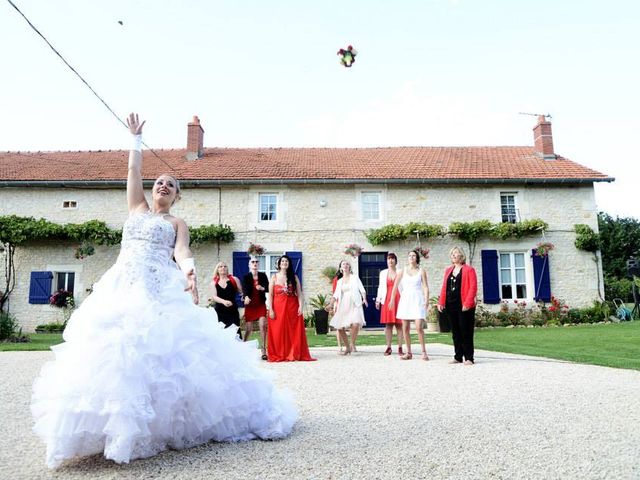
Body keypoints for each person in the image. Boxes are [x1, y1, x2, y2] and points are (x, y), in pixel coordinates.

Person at [31, 114, 296, 469]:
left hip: (158, 287)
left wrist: (189, 273)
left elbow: (183, 251)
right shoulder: (136, 208)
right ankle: (104, 428)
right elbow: (132, 175)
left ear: (177, 196)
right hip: (123, 284)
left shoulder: (176, 223)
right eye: (160, 182)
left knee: (161, 352)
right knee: (114, 351)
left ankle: (156, 426)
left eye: (170, 184)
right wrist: (135, 141)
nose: (163, 186)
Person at [267, 254, 316, 362]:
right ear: (279, 264)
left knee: (293, 330)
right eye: (282, 261)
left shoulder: (294, 277)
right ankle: (279, 353)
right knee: (278, 330)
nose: (284, 263)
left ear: (289, 264)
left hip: (292, 307)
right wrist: (271, 309)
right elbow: (270, 295)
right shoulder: (274, 277)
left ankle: (293, 352)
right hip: (278, 307)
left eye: (286, 261)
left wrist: (300, 306)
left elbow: (299, 293)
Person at [437, 246, 478, 365]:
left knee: (466, 331)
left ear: (462, 256)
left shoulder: (469, 270)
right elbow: (444, 287)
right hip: (451, 304)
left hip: (464, 304)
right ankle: (458, 356)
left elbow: (473, 288)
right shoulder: (448, 270)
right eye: (452, 254)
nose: (454, 255)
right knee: (455, 331)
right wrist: (441, 302)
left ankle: (469, 357)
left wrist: (468, 303)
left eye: (456, 253)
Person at [389, 250, 429, 361]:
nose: (411, 257)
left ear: (417, 258)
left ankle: (424, 352)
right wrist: (392, 300)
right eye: (410, 256)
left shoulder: (421, 271)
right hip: (406, 299)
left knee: (418, 327)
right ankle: (409, 352)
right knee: (405, 327)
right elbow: (395, 286)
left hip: (417, 299)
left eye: (413, 255)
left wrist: (426, 299)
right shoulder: (402, 271)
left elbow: (425, 286)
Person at [328, 260, 367, 355]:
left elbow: (362, 289)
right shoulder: (339, 281)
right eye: (343, 264)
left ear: (349, 267)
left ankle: (352, 344)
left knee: (355, 324)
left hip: (355, 303)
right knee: (339, 326)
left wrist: (364, 298)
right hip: (344, 304)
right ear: (341, 268)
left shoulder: (355, 278)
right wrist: (330, 304)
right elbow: (336, 294)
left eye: (347, 264)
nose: (345, 265)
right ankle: (347, 347)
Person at [375, 252, 404, 356]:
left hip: (399, 298)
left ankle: (400, 347)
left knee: (399, 324)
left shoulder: (401, 272)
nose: (390, 261)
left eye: (392, 259)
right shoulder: (383, 273)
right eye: (388, 259)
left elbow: (404, 286)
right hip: (387, 299)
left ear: (396, 261)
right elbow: (380, 287)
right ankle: (388, 347)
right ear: (386, 261)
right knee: (388, 325)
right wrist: (378, 300)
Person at [241, 256, 269, 360]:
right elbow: (244, 289)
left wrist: (262, 288)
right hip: (250, 305)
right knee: (249, 329)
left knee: (263, 324)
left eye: (257, 262)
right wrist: (246, 297)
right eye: (253, 262)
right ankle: (243, 345)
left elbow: (268, 287)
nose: (255, 263)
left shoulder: (263, 275)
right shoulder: (246, 277)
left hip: (260, 304)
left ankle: (263, 349)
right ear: (249, 265)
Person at [210, 261, 243, 337]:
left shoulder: (234, 279)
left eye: (225, 266)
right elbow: (214, 297)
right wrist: (224, 301)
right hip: (220, 312)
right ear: (217, 269)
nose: (223, 268)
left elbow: (241, 292)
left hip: (232, 311)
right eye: (220, 266)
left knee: (235, 332)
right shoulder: (214, 283)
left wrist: (244, 297)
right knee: (221, 333)